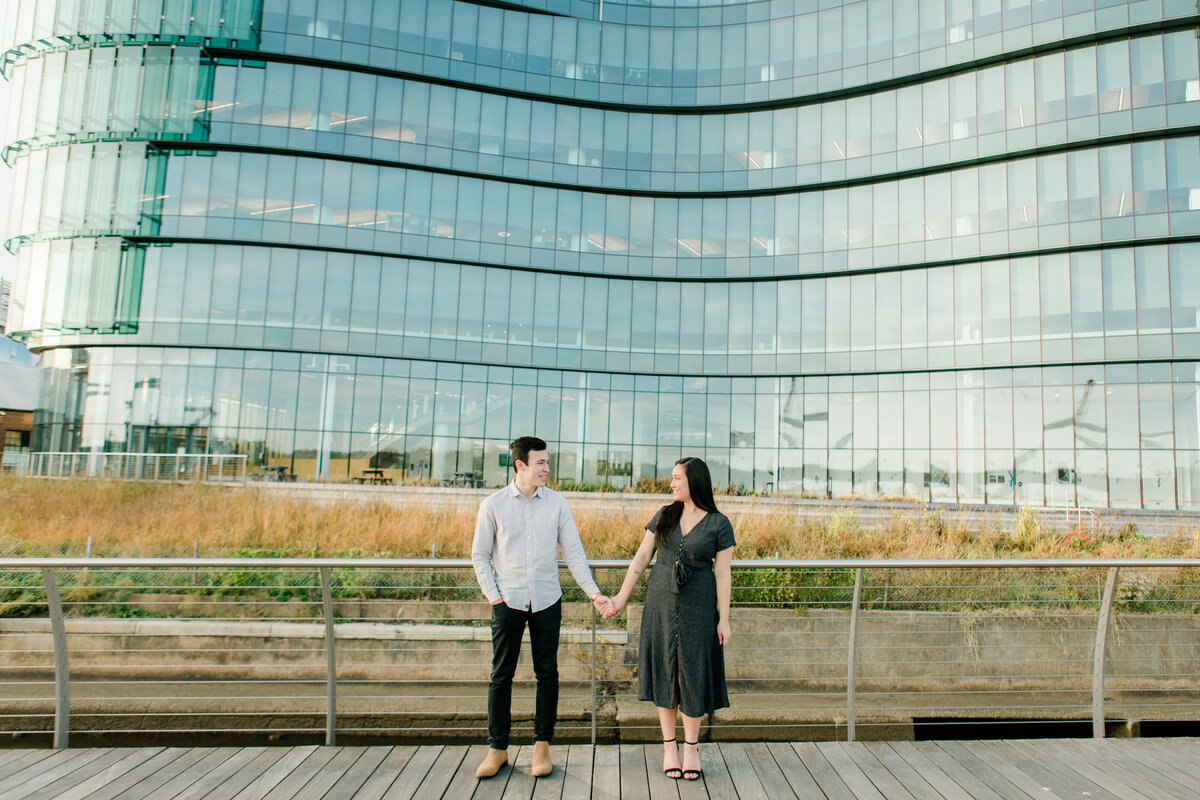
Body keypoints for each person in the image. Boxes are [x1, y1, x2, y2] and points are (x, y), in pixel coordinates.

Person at [471, 436, 614, 779]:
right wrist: (495, 598)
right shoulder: (492, 505)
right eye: (541, 463)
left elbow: (574, 553)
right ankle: (497, 748)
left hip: (547, 601)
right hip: (507, 602)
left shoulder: (557, 504)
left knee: (547, 674)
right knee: (500, 676)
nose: (547, 469)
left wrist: (594, 595)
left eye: (547, 463)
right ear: (520, 465)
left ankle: (541, 746)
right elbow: (479, 556)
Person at [605, 457, 734, 781]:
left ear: (695, 482)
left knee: (692, 676)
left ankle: (691, 749)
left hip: (700, 611)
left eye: (677, 478)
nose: (672, 483)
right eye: (672, 478)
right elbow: (642, 557)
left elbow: (722, 573)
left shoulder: (719, 523)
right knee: (665, 673)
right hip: (660, 607)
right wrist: (621, 597)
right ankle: (669, 748)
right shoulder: (664, 515)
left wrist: (725, 620)